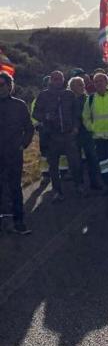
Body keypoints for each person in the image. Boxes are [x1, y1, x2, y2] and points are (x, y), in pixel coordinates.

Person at [33, 70, 84, 202]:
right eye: (54, 79)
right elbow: (35, 113)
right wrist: (45, 116)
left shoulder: (69, 94)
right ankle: (57, 191)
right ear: (51, 80)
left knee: (75, 162)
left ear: (63, 80)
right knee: (53, 166)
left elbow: (76, 113)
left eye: (59, 79)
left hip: (68, 135)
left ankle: (78, 185)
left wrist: (76, 128)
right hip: (52, 136)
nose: (57, 81)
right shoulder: (43, 95)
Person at [0, 72, 34, 234]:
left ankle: (19, 221)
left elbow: (29, 128)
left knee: (14, 187)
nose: (0, 88)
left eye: (3, 84)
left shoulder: (19, 105)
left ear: (9, 86)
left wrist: (23, 144)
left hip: (13, 153)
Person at [68, 76, 102, 191]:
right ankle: (79, 184)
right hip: (73, 134)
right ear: (72, 87)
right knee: (75, 161)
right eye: (79, 85)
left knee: (92, 157)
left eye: (82, 84)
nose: (82, 87)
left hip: (88, 133)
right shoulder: (68, 101)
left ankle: (95, 182)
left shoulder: (89, 99)